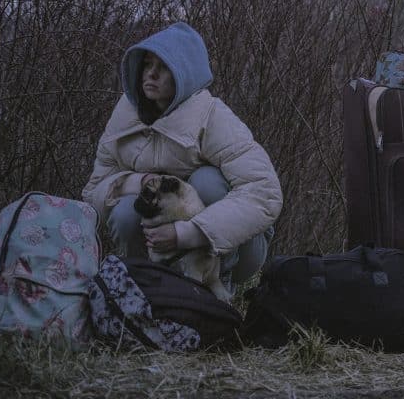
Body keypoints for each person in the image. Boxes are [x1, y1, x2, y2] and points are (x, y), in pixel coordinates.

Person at [82, 22, 282, 290]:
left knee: (207, 181)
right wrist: (137, 182)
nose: (151, 74)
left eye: (163, 67)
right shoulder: (125, 117)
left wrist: (186, 234)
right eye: (146, 64)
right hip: (159, 247)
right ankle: (145, 288)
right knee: (124, 212)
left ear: (184, 74)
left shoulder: (212, 118)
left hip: (234, 251)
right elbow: (93, 194)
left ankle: (217, 293)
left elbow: (264, 192)